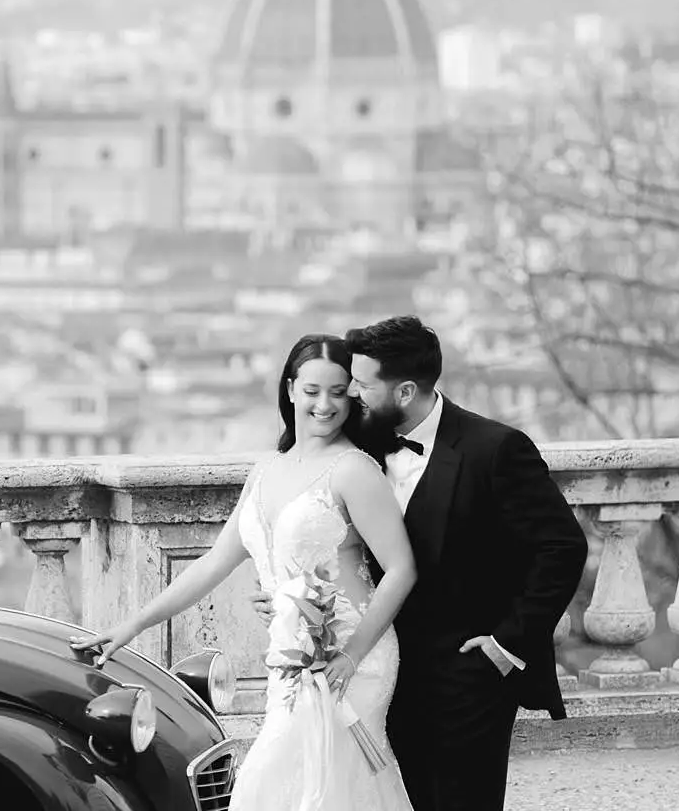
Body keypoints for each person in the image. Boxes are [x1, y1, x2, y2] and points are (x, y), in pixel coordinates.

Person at [251, 316, 587, 811]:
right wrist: (290, 598)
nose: (352, 396)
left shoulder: (494, 450)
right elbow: (328, 535)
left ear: (405, 391)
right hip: (380, 671)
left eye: (362, 385)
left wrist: (505, 644)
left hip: (467, 676)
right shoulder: (362, 441)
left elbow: (562, 547)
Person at [70, 333, 418, 810]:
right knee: (291, 786)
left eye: (339, 392)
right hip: (288, 656)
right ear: (291, 389)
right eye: (313, 390)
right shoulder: (267, 469)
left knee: (295, 783)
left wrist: (351, 656)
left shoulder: (354, 470)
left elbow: (401, 569)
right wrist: (132, 625)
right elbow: (214, 563)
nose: (325, 404)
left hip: (350, 659)